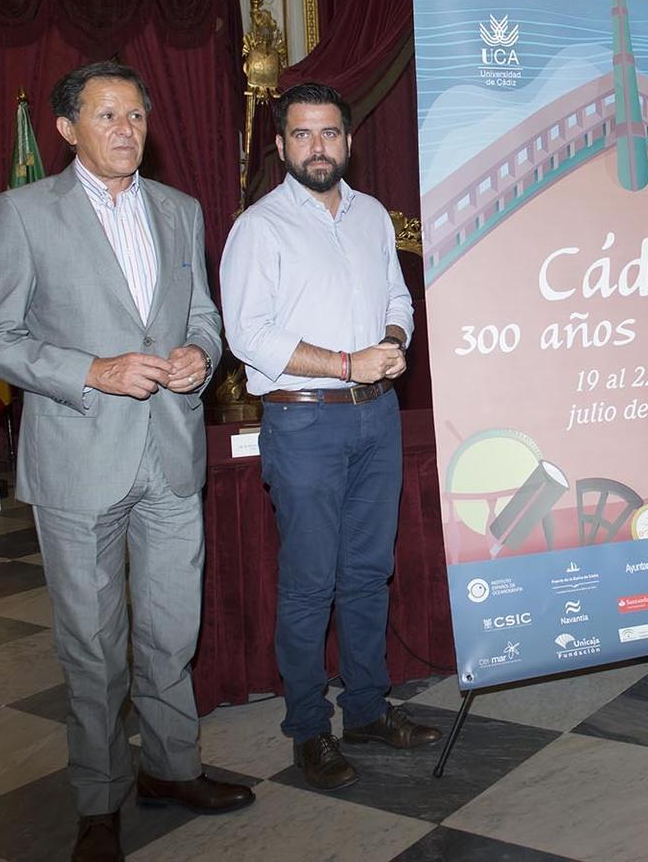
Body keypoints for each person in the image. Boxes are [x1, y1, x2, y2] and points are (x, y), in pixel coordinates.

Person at [0, 61, 252, 862]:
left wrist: (201, 352)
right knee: (92, 646)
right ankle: (98, 801)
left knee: (171, 629)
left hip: (170, 454)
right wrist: (93, 371)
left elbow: (203, 314)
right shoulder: (24, 213)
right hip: (78, 459)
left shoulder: (179, 209)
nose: (126, 129)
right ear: (67, 129)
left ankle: (172, 768)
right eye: (106, 115)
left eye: (135, 115)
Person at [221, 81, 440, 792]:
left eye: (330, 133)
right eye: (302, 134)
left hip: (377, 415)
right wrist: (347, 363)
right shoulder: (258, 227)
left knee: (369, 572)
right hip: (304, 419)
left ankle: (368, 710)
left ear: (349, 140)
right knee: (311, 583)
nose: (318, 147)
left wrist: (392, 342)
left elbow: (399, 298)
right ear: (281, 144)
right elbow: (247, 334)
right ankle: (310, 729)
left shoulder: (372, 214)